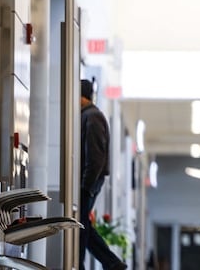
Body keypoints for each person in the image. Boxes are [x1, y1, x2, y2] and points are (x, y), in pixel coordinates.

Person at [79, 79, 127, 270]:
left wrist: (85, 186)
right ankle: (113, 264)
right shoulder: (87, 115)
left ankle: (87, 264)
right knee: (83, 226)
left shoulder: (93, 117)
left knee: (80, 227)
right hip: (88, 182)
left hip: (89, 183)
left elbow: (95, 157)